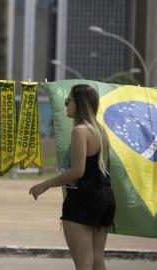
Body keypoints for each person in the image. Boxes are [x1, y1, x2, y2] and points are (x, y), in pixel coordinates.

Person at [29, 84, 116, 270]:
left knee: (84, 264)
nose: (66, 104)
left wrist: (44, 184)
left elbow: (78, 171)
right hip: (105, 198)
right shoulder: (100, 131)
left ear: (80, 104)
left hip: (83, 200)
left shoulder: (80, 131)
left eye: (69, 100)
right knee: (97, 261)